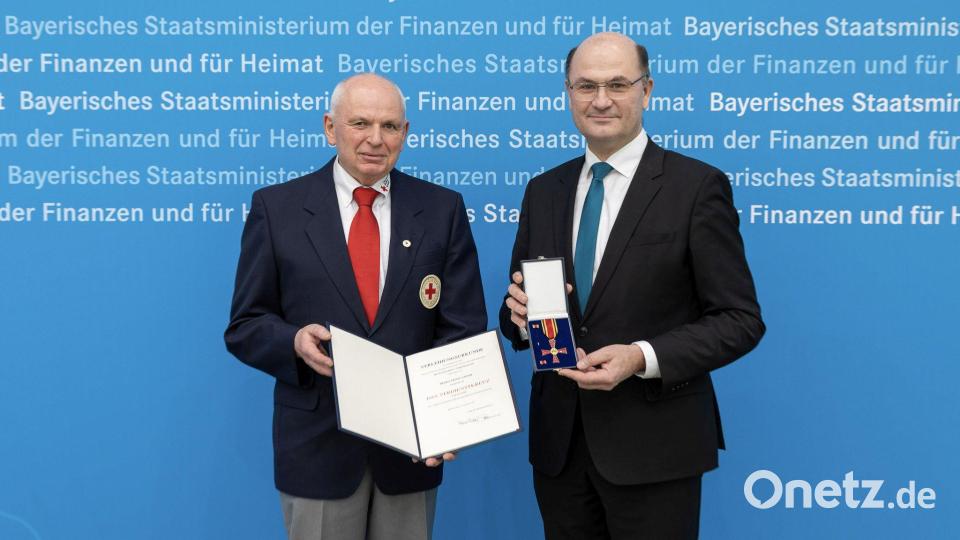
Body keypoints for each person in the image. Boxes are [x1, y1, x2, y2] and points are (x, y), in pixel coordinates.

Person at [499, 33, 765, 539]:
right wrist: (516, 319)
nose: (601, 100)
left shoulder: (695, 187)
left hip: (655, 450)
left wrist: (641, 357)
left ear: (647, 91)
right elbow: (521, 318)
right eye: (586, 86)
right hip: (560, 449)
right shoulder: (543, 191)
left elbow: (740, 320)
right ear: (568, 93)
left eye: (618, 84)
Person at [225, 73, 486, 540]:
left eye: (390, 126)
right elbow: (246, 324)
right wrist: (294, 342)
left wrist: (445, 417)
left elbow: (462, 328)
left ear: (405, 133)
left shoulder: (442, 209)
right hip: (318, 449)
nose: (375, 139)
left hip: (410, 453)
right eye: (360, 123)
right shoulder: (277, 208)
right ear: (330, 127)